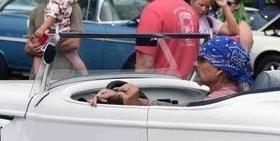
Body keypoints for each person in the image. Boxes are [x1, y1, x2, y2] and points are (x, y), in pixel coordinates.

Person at [91, 36, 253, 106]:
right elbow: (177, 109)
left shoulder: (214, 103)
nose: (195, 64)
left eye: (202, 60)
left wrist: (134, 105)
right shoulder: (232, 94)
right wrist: (129, 99)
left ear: (219, 69)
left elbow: (177, 114)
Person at [132, 0, 200, 78]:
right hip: (187, 90)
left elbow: (144, 65)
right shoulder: (189, 10)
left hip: (160, 91)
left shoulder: (152, 11)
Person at [24, 0, 83, 79]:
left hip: (60, 80)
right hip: (36, 83)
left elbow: (74, 42)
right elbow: (28, 46)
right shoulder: (36, 11)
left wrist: (44, 45)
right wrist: (30, 49)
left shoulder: (71, 6)